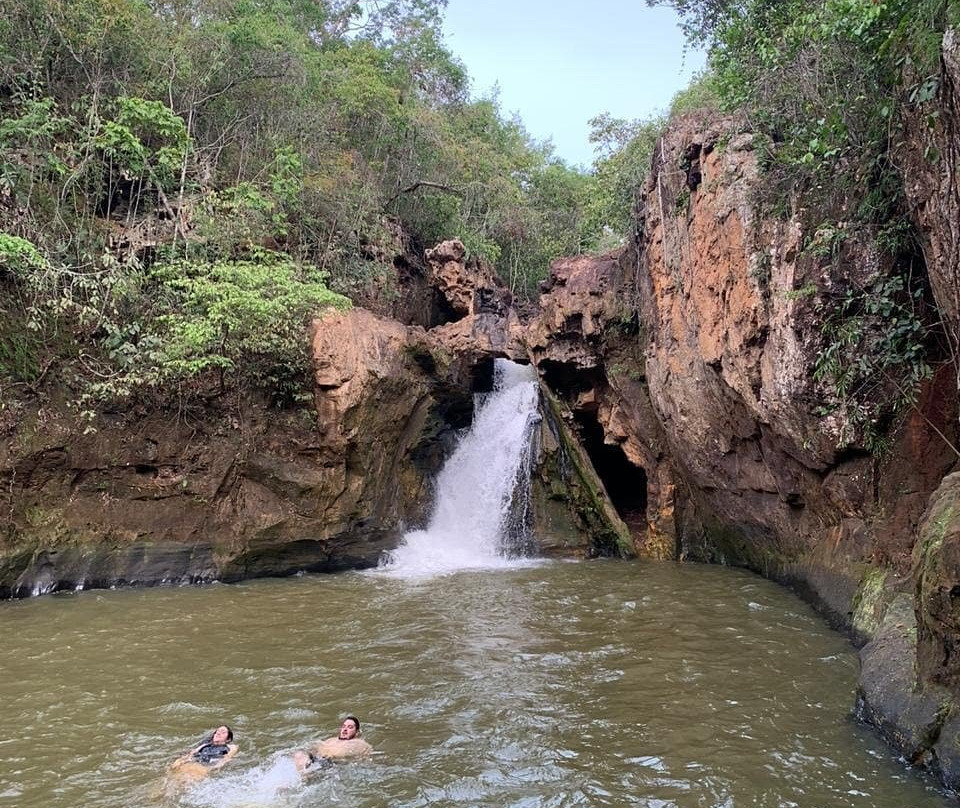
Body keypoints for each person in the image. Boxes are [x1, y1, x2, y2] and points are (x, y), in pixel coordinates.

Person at [293, 716, 372, 773]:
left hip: (333, 766)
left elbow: (366, 756)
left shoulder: (358, 743)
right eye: (343, 726)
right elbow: (316, 749)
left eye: (350, 727)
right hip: (319, 760)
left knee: (309, 770)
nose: (345, 729)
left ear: (357, 732)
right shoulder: (331, 740)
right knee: (299, 755)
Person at [169, 725, 239, 780]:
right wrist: (180, 760)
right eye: (217, 731)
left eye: (223, 732)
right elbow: (191, 754)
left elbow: (227, 758)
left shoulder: (231, 747)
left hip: (203, 768)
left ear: (228, 739)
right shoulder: (205, 745)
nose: (219, 733)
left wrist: (213, 768)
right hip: (191, 764)